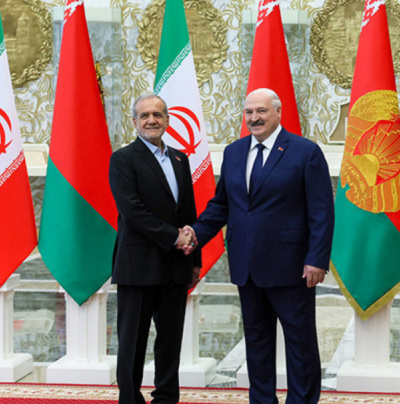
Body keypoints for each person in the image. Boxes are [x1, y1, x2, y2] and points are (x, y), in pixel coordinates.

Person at [190, 88, 334, 404]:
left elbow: (321, 211)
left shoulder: (305, 152)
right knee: (257, 343)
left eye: (261, 111)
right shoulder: (234, 152)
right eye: (249, 112)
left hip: (292, 267)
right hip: (247, 265)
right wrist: (195, 234)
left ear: (278, 112)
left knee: (300, 344)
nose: (254, 118)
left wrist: (317, 258)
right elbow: (222, 205)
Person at [108, 93, 201, 404]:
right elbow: (133, 212)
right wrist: (174, 237)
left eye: (157, 115)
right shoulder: (123, 159)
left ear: (167, 120)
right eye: (145, 115)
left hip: (176, 266)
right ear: (134, 121)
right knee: (132, 342)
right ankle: (130, 399)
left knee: (170, 340)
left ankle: (166, 398)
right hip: (138, 265)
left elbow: (188, 212)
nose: (151, 120)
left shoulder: (180, 159)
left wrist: (195, 260)